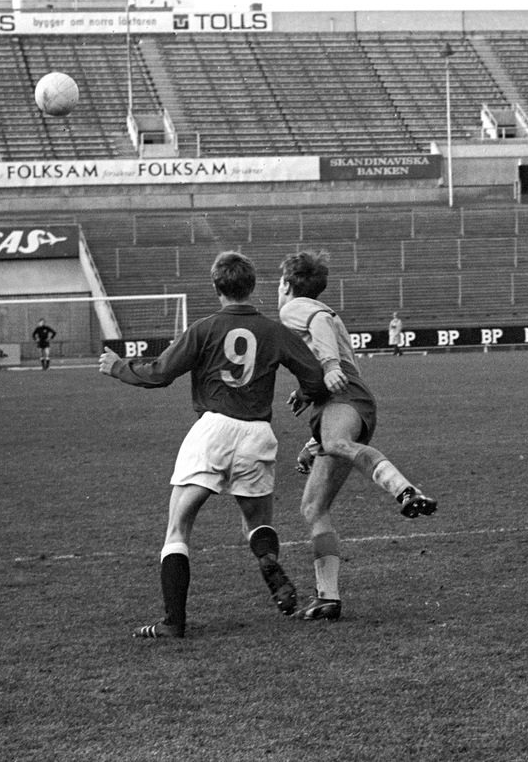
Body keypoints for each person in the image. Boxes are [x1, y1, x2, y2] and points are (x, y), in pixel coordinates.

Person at [98, 251, 332, 639]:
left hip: (214, 430)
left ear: (216, 287)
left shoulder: (204, 328)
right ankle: (267, 559)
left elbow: (160, 374)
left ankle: (174, 621)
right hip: (258, 433)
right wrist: (307, 394)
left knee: (179, 526)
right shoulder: (274, 331)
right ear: (252, 285)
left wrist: (118, 367)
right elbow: (315, 378)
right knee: (258, 523)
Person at [279, 250, 437, 621]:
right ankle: (328, 598)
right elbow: (321, 361)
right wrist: (308, 404)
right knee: (313, 507)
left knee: (337, 444)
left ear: (286, 284)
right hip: (342, 404)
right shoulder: (325, 312)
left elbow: (320, 331)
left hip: (344, 396)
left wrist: (330, 367)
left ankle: (405, 490)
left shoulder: (296, 308)